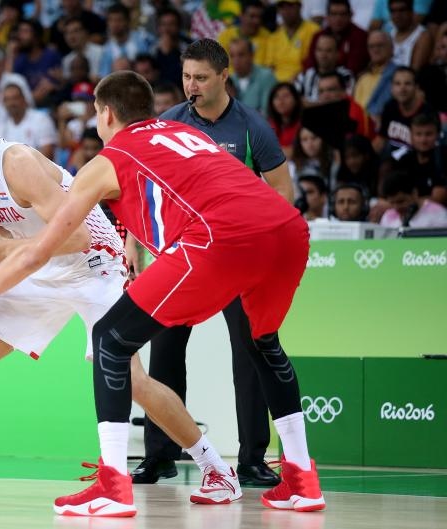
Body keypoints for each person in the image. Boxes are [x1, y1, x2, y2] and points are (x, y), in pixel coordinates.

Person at [0, 71, 326, 517]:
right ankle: (301, 479)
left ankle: (114, 486)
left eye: (95, 113)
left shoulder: (104, 160)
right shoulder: (184, 132)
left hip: (166, 247)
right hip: (286, 228)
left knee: (112, 343)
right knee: (263, 345)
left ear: (106, 114)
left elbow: (54, 245)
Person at [0, 95, 244, 509]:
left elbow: (76, 237)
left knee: (133, 380)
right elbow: (20, 230)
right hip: (44, 267)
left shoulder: (17, 163)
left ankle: (216, 469)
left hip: (94, 265)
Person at [140, 38, 294, 488]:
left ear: (225, 76)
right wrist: (137, 241)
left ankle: (252, 459)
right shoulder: (169, 124)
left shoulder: (251, 126)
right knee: (164, 354)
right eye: (187, 77)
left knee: (251, 353)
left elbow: (282, 191)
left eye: (202, 78)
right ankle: (160, 455)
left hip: (237, 257)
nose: (192, 85)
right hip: (183, 256)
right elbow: (145, 185)